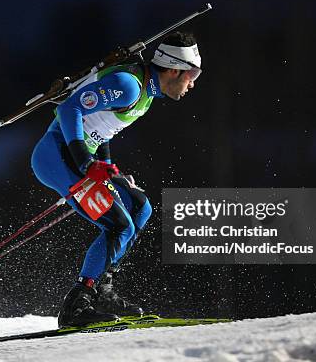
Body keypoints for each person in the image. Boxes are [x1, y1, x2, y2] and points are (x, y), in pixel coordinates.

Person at [31, 31, 202, 328]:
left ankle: (102, 293)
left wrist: (109, 169)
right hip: (56, 157)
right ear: (174, 69)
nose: (193, 82)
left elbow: (102, 128)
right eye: (192, 73)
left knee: (139, 208)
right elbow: (68, 108)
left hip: (80, 160)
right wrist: (87, 163)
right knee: (117, 224)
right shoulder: (129, 86)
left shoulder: (146, 93)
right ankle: (77, 305)